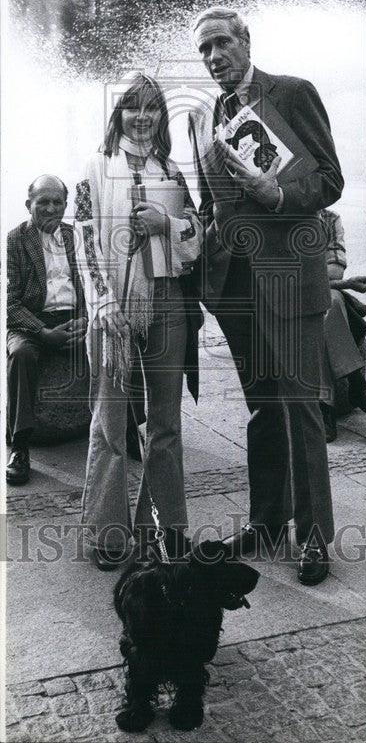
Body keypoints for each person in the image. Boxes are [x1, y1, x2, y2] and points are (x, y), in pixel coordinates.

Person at [189, 6, 344, 585]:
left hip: (288, 277)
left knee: (302, 407)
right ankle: (267, 520)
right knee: (261, 408)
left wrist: (278, 194)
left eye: (222, 43)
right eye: (204, 49)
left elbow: (330, 179)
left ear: (246, 40)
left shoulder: (294, 92)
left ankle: (312, 537)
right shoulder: (201, 117)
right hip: (233, 286)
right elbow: (210, 202)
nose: (214, 57)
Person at [74, 72, 202, 570]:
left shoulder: (171, 169)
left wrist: (165, 224)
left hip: (167, 302)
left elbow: (195, 233)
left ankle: (162, 530)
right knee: (110, 420)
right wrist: (103, 302)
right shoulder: (93, 168)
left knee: (166, 424)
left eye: (152, 108)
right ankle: (107, 533)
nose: (142, 117)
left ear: (160, 116)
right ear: (119, 114)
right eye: (133, 107)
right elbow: (83, 238)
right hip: (115, 307)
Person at [6, 175, 87, 484]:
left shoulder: (77, 236)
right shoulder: (15, 240)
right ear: (29, 205)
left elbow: (95, 287)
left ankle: (129, 430)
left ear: (66, 205)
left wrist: (86, 320)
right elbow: (9, 302)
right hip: (31, 321)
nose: (51, 208)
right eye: (43, 202)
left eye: (58, 202)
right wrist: (43, 332)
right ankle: (20, 446)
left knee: (117, 341)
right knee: (21, 355)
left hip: (74, 318)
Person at [319, 208, 366, 442]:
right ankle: (358, 384)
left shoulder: (329, 218)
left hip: (320, 296)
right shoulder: (277, 215)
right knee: (325, 300)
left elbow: (335, 270)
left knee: (329, 302)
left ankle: (324, 405)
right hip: (283, 296)